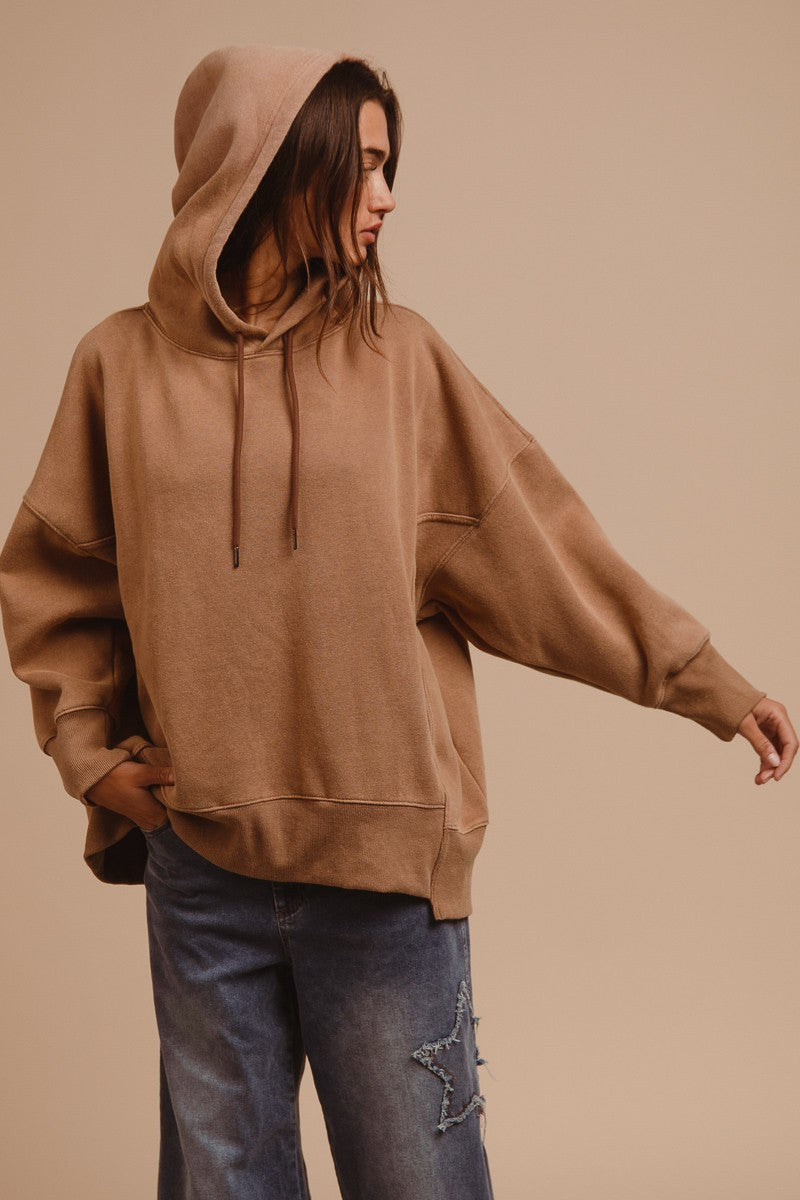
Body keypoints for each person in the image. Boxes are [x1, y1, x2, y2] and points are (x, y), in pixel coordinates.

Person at [0, 41, 795, 1200]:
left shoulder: (399, 362)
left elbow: (542, 556)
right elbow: (59, 576)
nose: (384, 195)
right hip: (201, 869)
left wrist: (707, 683)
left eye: (388, 164)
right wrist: (90, 755)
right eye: (362, 164)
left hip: (381, 878)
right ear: (270, 163)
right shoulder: (116, 366)